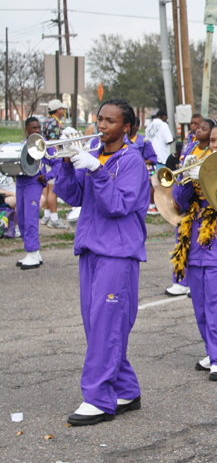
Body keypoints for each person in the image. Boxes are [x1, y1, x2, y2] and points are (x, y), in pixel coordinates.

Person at [54, 99, 149, 426]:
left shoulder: (132, 160)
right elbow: (71, 195)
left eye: (110, 121)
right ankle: (126, 389)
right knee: (97, 326)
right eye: (99, 119)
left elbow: (116, 205)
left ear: (126, 127)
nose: (102, 125)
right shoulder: (96, 153)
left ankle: (97, 398)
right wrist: (67, 161)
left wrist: (96, 169)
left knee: (107, 325)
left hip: (118, 252)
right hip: (92, 249)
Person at [172, 121, 217, 381]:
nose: (214, 145)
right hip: (197, 249)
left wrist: (208, 176)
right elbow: (181, 204)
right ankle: (213, 351)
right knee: (202, 309)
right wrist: (184, 180)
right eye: (212, 140)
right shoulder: (199, 163)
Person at [165, 120, 215, 298]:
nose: (198, 130)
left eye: (203, 128)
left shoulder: (215, 150)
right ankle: (181, 280)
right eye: (197, 127)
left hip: (209, 205)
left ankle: (196, 283)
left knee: (204, 243)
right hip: (190, 201)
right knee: (183, 241)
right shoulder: (192, 146)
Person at [15, 117, 50, 269]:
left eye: (38, 127)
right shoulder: (23, 146)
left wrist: (47, 176)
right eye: (33, 128)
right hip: (21, 184)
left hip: (33, 184)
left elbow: (56, 164)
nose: (37, 131)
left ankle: (33, 251)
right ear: (26, 130)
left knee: (30, 218)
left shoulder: (43, 145)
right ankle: (33, 253)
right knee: (21, 217)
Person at [41, 99, 70, 230]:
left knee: (47, 188)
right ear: (58, 110)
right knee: (53, 189)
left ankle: (47, 215)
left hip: (46, 158)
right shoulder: (53, 123)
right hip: (53, 158)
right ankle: (54, 218)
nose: (63, 111)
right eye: (62, 109)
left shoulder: (47, 121)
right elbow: (54, 142)